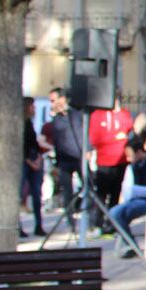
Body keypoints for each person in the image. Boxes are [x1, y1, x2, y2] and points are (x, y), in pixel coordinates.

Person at [107, 134, 146, 255]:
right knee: (114, 214)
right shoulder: (132, 167)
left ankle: (132, 247)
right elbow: (127, 189)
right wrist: (142, 189)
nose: (128, 159)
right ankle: (132, 245)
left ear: (139, 152)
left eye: (130, 155)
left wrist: (135, 189)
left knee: (117, 215)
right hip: (133, 201)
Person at [88, 93, 134, 224]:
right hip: (104, 160)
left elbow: (128, 130)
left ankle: (112, 221)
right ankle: (99, 221)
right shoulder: (97, 115)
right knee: (102, 193)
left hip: (121, 160)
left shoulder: (124, 114)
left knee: (116, 192)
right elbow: (95, 139)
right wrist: (114, 138)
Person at [42, 88, 85, 226]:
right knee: (67, 191)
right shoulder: (55, 119)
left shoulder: (75, 115)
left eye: (53, 100)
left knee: (87, 187)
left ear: (62, 99)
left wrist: (88, 150)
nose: (52, 104)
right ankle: (70, 221)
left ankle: (91, 219)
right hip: (64, 160)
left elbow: (83, 132)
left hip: (79, 157)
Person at [21, 97, 47, 238]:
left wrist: (38, 157)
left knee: (37, 194)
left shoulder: (29, 123)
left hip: (33, 159)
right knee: (20, 194)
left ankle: (39, 224)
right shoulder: (21, 123)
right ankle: (18, 226)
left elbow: (33, 143)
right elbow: (23, 146)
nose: (34, 109)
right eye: (32, 106)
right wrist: (31, 162)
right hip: (25, 161)